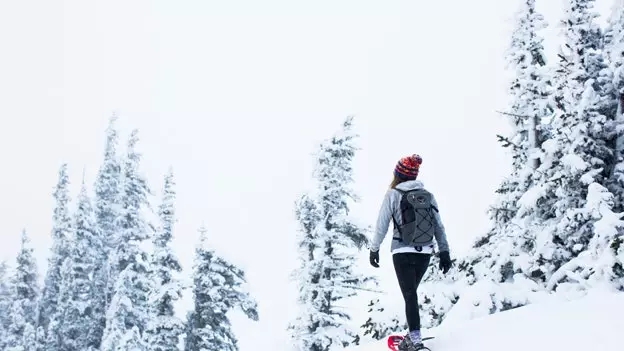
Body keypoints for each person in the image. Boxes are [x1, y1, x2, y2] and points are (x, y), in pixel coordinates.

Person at [368, 154, 452, 351]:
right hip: (425, 252)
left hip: (402, 251)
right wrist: (444, 251)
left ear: (397, 174)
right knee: (411, 294)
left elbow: (382, 224)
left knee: (409, 295)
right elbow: (438, 226)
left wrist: (374, 249)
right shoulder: (427, 195)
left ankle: (415, 340)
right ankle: (412, 336)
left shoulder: (393, 194)